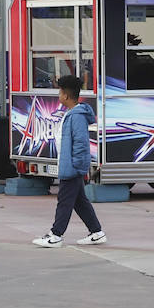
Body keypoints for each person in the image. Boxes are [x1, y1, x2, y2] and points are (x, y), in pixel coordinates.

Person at [33, 75, 106, 248]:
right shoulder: (72, 114)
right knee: (80, 201)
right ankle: (96, 232)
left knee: (64, 201)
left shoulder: (77, 116)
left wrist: (77, 166)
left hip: (71, 166)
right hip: (69, 164)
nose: (58, 95)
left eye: (59, 91)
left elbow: (81, 143)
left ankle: (56, 235)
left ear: (66, 95)